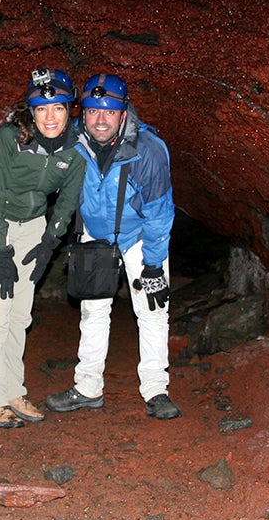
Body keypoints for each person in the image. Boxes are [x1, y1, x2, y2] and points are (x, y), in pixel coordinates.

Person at [45, 73, 181, 420]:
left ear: (123, 113)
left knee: (152, 311)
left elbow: (159, 213)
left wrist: (153, 265)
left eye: (109, 112)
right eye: (93, 111)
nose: (100, 120)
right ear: (83, 114)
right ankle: (87, 388)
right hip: (96, 234)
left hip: (139, 236)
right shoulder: (73, 141)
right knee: (93, 312)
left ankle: (156, 391)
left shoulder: (147, 150)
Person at [0, 68, 86, 428]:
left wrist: (51, 239)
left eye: (58, 108)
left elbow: (68, 200)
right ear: (31, 112)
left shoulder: (77, 149)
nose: (50, 117)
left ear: (69, 110)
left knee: (21, 314)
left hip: (33, 226)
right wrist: (0, 251)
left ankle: (12, 391)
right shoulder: (10, 137)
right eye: (41, 109)